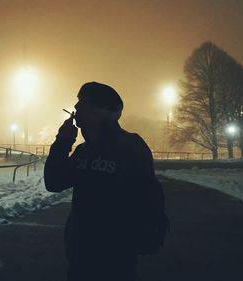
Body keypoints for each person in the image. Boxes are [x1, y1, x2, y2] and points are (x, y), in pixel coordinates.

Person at [44, 82, 165, 281]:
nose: (76, 108)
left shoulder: (131, 146)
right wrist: (62, 142)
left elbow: (145, 197)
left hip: (116, 257)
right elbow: (54, 182)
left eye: (83, 102)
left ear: (103, 112)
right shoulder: (83, 151)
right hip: (80, 253)